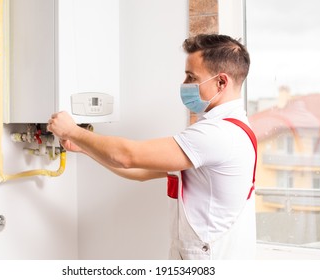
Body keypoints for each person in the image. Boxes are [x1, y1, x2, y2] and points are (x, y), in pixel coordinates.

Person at [47, 34, 257, 260]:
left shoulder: (217, 135)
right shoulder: (229, 129)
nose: (185, 85)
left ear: (221, 82)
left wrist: (72, 131)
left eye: (191, 77)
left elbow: (128, 156)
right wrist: (84, 147)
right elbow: (139, 171)